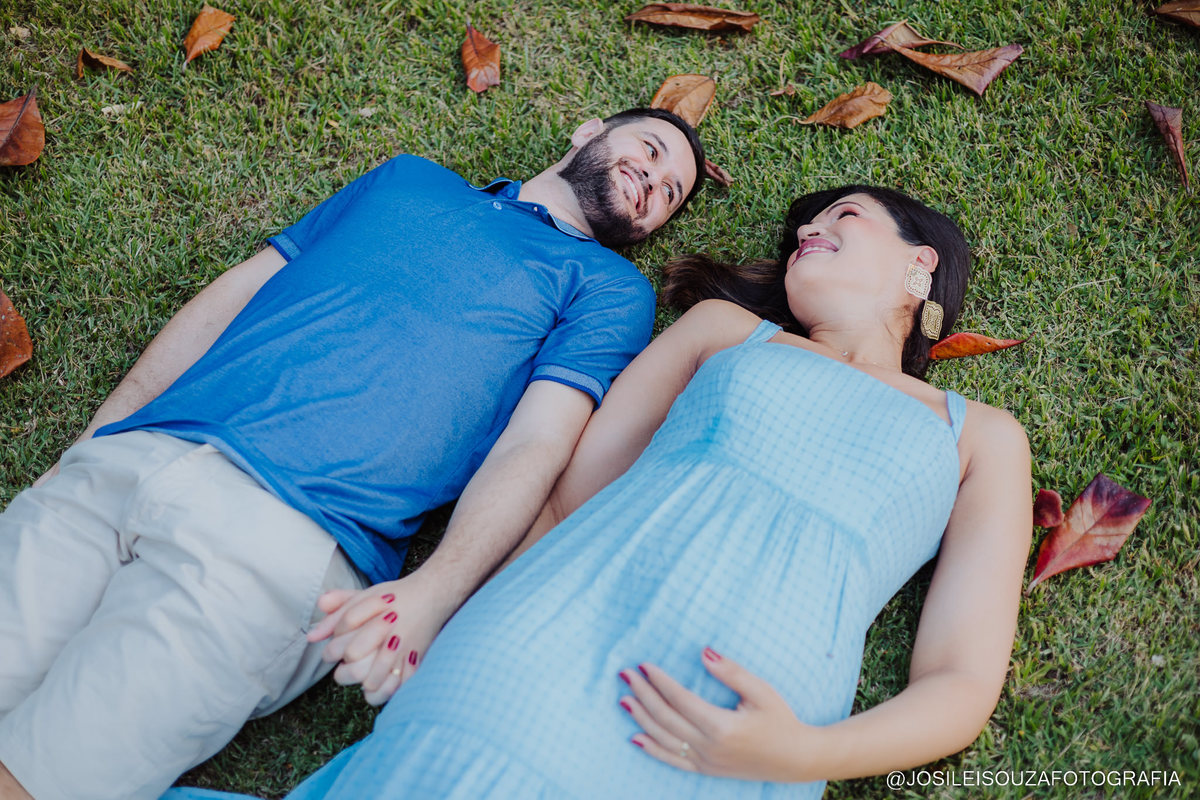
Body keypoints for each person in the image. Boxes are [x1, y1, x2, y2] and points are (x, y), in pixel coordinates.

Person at [167, 183, 1032, 800]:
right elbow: (566, 499)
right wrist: (437, 602)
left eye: (840, 217)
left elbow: (959, 681)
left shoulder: (982, 438)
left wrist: (802, 752)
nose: (807, 228)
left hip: (737, 743)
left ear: (922, 266)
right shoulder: (729, 331)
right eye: (802, 225)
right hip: (536, 653)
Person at [0, 108, 706, 800]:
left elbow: (537, 445)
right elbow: (235, 296)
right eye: (651, 147)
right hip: (127, 465)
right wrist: (97, 437)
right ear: (589, 131)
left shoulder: (608, 289)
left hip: (281, 546)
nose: (654, 178)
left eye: (670, 193)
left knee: (38, 778)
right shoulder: (408, 179)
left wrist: (434, 593)